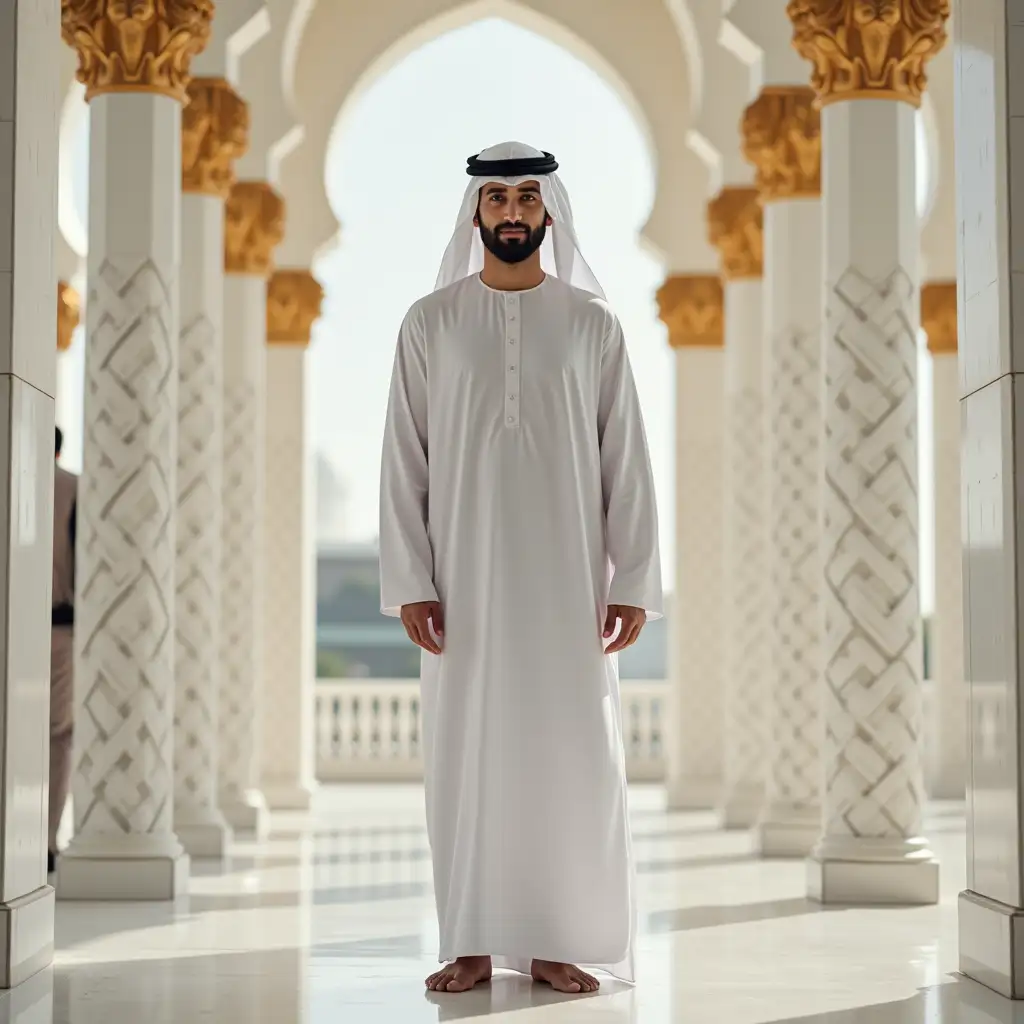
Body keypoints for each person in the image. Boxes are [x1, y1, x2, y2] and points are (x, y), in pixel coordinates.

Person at [378, 142, 663, 995]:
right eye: (496, 197)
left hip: (568, 582)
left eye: (526, 199)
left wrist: (635, 580)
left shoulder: (592, 325)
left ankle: (553, 938)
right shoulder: (429, 322)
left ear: (549, 213)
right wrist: (413, 578)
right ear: (475, 212)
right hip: (460, 586)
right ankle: (469, 938)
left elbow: (628, 462)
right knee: (464, 755)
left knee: (568, 754)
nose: (511, 212)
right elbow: (405, 460)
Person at [50, 426, 77, 875]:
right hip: (59, 630)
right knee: (56, 734)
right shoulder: (73, 489)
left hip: (15, 627)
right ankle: (45, 840)